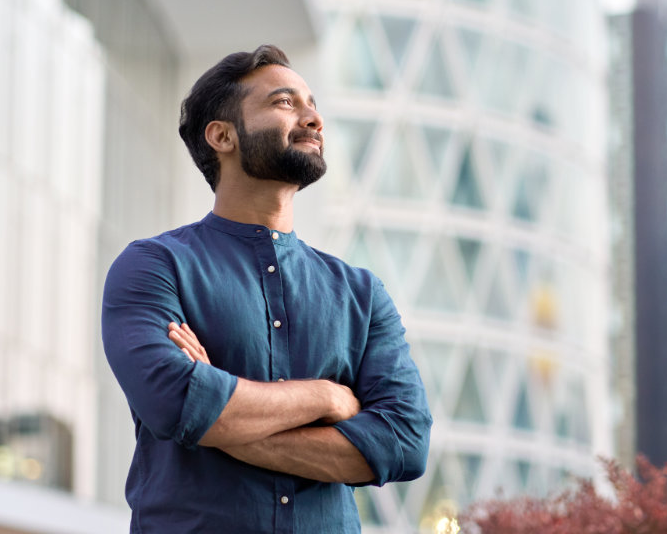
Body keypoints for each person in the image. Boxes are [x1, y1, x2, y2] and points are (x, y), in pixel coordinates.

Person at [101, 44, 432, 533]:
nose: (312, 118)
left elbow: (404, 443)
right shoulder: (154, 266)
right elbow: (174, 401)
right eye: (284, 103)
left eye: (312, 104)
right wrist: (325, 398)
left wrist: (221, 414)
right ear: (222, 136)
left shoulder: (361, 294)